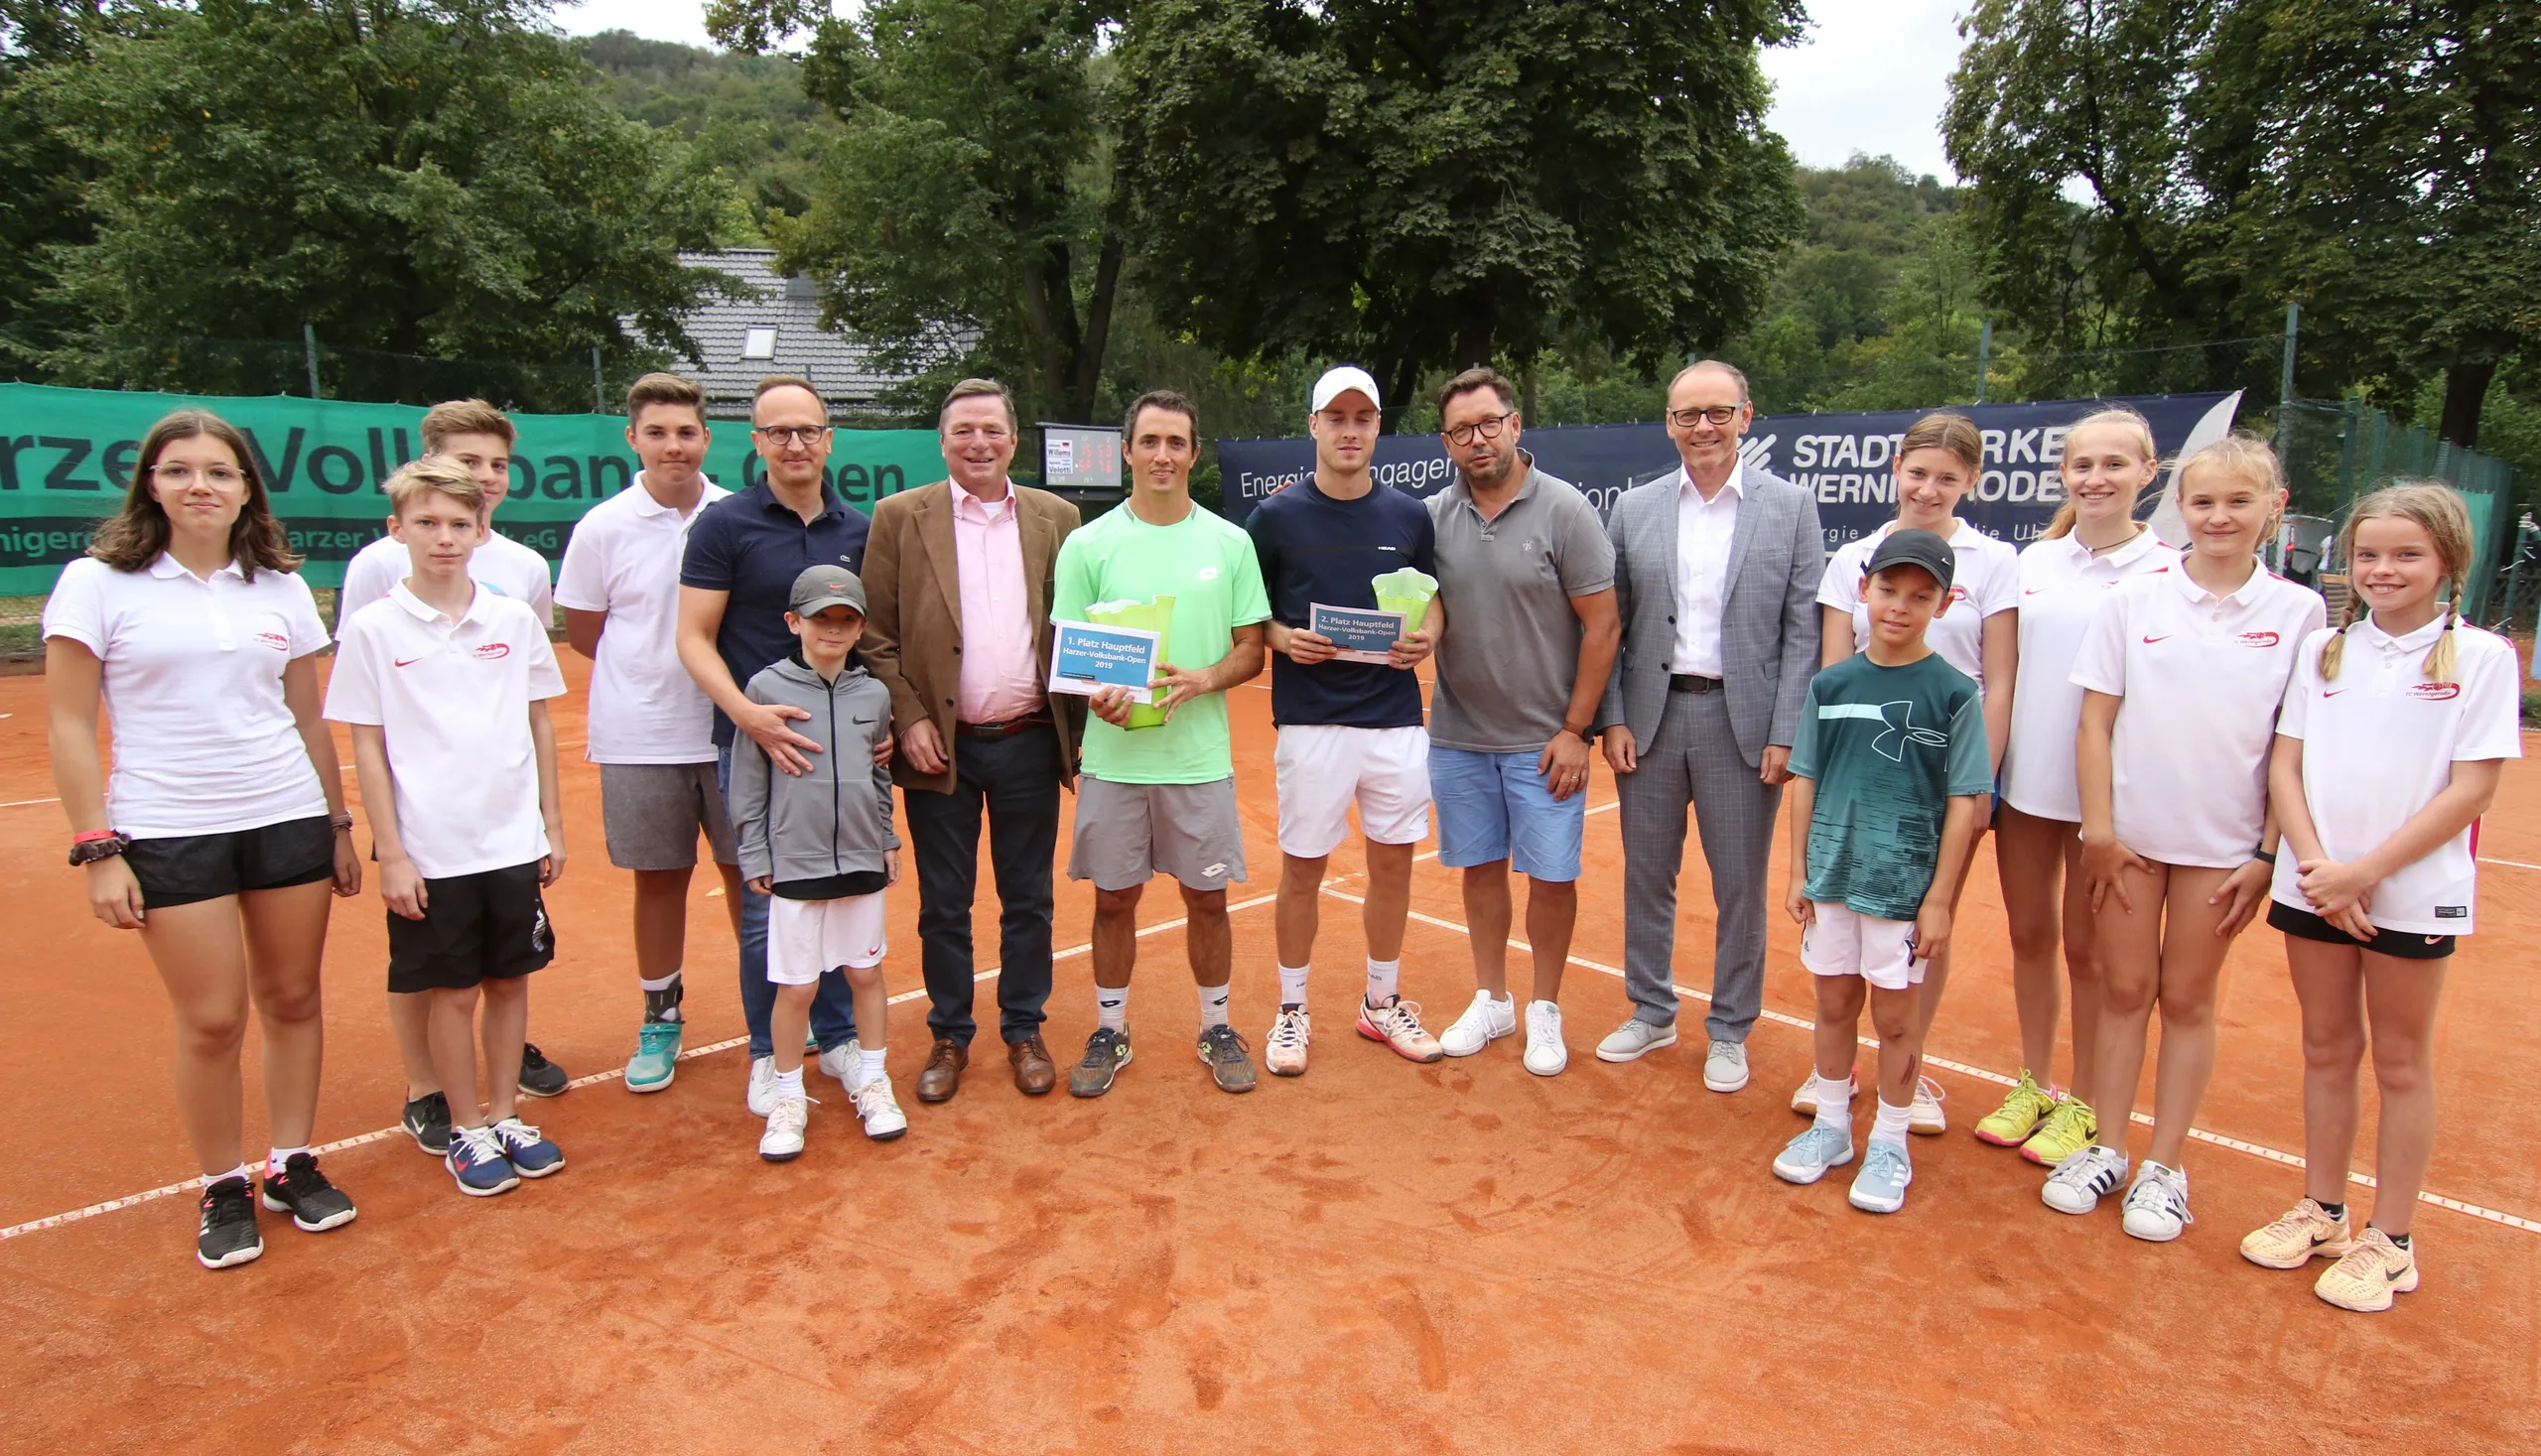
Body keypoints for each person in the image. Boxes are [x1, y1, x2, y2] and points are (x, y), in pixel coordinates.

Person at [44, 409, 363, 1269]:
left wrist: (337, 824)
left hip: (286, 815)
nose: (200, 486)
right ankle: (223, 1181)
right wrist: (98, 846)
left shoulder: (281, 587)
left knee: (294, 1000)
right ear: (150, 482)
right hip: (168, 825)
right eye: (179, 469)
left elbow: (306, 716)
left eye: (220, 472)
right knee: (213, 1017)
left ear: (246, 488)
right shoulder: (98, 582)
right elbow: (70, 724)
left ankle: (291, 1161)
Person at [2242, 484, 2517, 1311]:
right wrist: (2322, 865)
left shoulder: (2484, 659)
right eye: (2369, 554)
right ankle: (2324, 1209)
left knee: (2401, 1061)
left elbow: (2472, 790)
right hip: (2314, 884)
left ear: (2447, 563)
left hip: (2409, 895)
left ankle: (2391, 1240)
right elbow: (2284, 766)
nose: (2384, 569)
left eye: (2406, 555)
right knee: (2326, 1049)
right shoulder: (2325, 649)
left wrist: (2364, 874)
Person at [2043, 434, 2325, 1240]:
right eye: (2203, 502)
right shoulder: (2134, 601)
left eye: (2239, 501)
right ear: (2181, 507)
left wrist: (2266, 852)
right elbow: (2094, 723)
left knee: (2190, 999)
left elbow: (2289, 745)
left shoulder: (2300, 612)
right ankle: (2107, 1146)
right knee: (2125, 992)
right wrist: (2098, 832)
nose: (2219, 516)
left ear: (2273, 508)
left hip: (2224, 852)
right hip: (2129, 842)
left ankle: (2165, 1166)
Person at [328, 457, 569, 1198]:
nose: (444, 537)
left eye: (459, 523)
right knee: (452, 991)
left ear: (480, 528)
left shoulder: (513, 617)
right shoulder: (372, 628)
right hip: (431, 850)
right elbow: (365, 743)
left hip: (510, 841)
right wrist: (392, 852)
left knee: (509, 984)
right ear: (395, 528)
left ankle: (506, 1115)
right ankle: (464, 1125)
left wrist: (550, 826)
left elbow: (539, 722)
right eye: (426, 523)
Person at [1594, 360, 1824, 1093]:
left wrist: (1786, 728)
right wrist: (1615, 716)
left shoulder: (1791, 507)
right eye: (1688, 415)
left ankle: (1729, 1027)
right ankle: (1652, 1008)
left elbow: (1803, 630)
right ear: (1668, 424)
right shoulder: (1634, 508)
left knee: (1739, 888)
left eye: (1718, 412)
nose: (1703, 427)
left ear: (1746, 417)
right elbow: (1612, 624)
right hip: (1652, 723)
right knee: (1647, 878)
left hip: (1743, 725)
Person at [1795, 410, 2017, 1136]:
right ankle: (1835, 1101)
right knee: (1835, 986)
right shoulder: (1851, 560)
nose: (1928, 487)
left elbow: (1999, 678)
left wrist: (1977, 789)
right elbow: (1832, 682)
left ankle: (1897, 1101)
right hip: (1847, 806)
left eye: (1947, 477)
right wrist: (1804, 854)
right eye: (1918, 472)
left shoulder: (1993, 566)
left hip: (1935, 792)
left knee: (1918, 939)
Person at [859, 378, 1080, 1103]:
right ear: (943, 440)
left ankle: (1024, 1029)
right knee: (943, 904)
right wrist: (911, 716)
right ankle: (950, 1034)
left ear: (1014, 440)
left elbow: (1079, 625)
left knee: (1029, 899)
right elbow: (875, 634)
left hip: (1029, 738)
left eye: (991, 429)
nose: (977, 442)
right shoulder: (898, 516)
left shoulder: (1058, 515)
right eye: (962, 431)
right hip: (938, 747)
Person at [1054, 389, 1270, 1097]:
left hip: (1198, 763)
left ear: (1194, 453)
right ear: (1127, 450)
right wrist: (1099, 698)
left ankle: (1216, 1026)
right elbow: (1073, 655)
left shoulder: (1230, 542)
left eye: (1176, 442)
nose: (1162, 455)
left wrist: (1205, 676)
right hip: (1114, 764)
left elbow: (1250, 648)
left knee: (1207, 902)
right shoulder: (1087, 544)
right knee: (1113, 902)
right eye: (1149, 441)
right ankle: (1111, 1031)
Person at [1976, 408, 2179, 1166]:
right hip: (2028, 785)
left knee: (2089, 952)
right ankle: (2036, 1082)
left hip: (2114, 803)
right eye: (2084, 465)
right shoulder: (2031, 564)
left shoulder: (2169, 571)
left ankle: (2089, 1103)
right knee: (2031, 936)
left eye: (2115, 465)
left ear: (2147, 474)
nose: (2097, 478)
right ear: (2065, 474)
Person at [1771, 529, 1990, 1215]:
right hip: (1833, 877)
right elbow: (1804, 776)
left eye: (1920, 596)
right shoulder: (1831, 684)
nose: (1900, 606)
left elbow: (1966, 802)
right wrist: (1798, 868)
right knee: (1833, 1003)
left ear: (1945, 603)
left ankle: (1890, 1139)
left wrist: (1941, 900)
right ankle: (1832, 1127)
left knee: (1897, 1020)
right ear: (1864, 589)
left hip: (1903, 885)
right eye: (1889, 590)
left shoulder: (1956, 693)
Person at [678, 375, 874, 1114]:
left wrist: (873, 732)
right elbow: (692, 636)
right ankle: (770, 1054)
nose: (794, 444)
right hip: (758, 749)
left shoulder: (859, 528)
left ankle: (839, 1039)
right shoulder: (723, 525)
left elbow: (870, 645)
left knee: (844, 890)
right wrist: (746, 716)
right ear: (756, 443)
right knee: (769, 902)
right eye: (777, 432)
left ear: (828, 439)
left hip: (841, 754)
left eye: (807, 430)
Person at [1247, 365, 1445, 1075]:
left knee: (1393, 867)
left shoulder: (1410, 515)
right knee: (1303, 869)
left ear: (1377, 427)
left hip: (1394, 719)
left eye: (1363, 418)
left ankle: (1381, 1002)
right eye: (1337, 418)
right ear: (1314, 426)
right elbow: (1249, 615)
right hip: (1311, 722)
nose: (1350, 430)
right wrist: (1281, 637)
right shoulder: (1274, 518)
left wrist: (1429, 636)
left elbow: (1433, 598)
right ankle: (1292, 1011)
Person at [1427, 367, 1621, 1077]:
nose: (1476, 440)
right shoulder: (1431, 516)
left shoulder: (1566, 510)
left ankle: (1545, 1006)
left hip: (1546, 741)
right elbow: (1424, 605)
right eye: (1460, 431)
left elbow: (1602, 626)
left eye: (1487, 423)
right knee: (1480, 872)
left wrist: (1576, 728)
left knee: (1550, 876)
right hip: (1458, 735)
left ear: (1514, 424)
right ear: (1446, 442)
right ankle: (1493, 997)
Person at [555, 372, 739, 1095]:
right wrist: (650, 675)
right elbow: (585, 632)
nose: (673, 446)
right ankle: (661, 1018)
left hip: (731, 730)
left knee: (748, 876)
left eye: (686, 432)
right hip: (639, 735)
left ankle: (775, 1004)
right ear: (632, 438)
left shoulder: (735, 513)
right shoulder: (602, 527)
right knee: (659, 881)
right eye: (657, 432)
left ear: (706, 438)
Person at [732, 566, 908, 1155]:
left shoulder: (874, 694)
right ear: (794, 623)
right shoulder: (763, 690)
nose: (832, 630)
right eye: (819, 619)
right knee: (797, 988)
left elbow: (879, 774)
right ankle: (786, 1096)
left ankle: (875, 1081)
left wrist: (886, 839)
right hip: (795, 863)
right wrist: (755, 850)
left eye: (845, 620)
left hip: (861, 856)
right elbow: (748, 782)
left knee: (865, 974)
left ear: (860, 629)